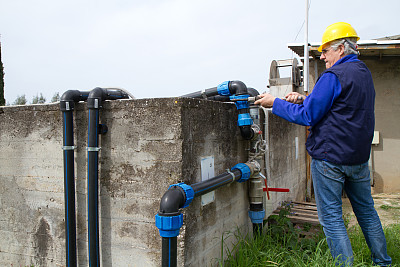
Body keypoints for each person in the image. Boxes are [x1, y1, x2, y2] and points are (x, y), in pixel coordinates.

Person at [255, 22, 392, 266]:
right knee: (367, 213)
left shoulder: (333, 75)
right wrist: (304, 99)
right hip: (358, 159)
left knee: (331, 217)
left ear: (340, 49)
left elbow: (307, 116)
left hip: (330, 159)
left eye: (326, 50)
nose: (322, 55)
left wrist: (275, 103)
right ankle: (383, 262)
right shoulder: (363, 73)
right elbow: (341, 107)